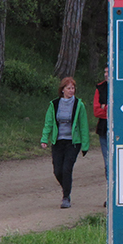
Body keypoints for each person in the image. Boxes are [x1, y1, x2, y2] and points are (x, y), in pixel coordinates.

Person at [41, 76, 90, 209]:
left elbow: (83, 126)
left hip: (73, 142)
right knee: (58, 171)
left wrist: (85, 145)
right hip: (58, 141)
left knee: (66, 169)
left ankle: (66, 197)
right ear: (62, 90)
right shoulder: (54, 104)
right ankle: (66, 188)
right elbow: (49, 123)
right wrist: (45, 139)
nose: (71, 91)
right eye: (68, 88)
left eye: (73, 88)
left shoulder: (79, 105)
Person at [93, 66, 109, 186]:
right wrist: (106, 109)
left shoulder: (122, 85)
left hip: (120, 129)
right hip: (103, 128)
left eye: (108, 72)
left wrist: (105, 106)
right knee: (107, 163)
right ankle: (110, 193)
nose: (106, 74)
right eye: (105, 72)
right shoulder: (100, 87)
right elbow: (96, 111)